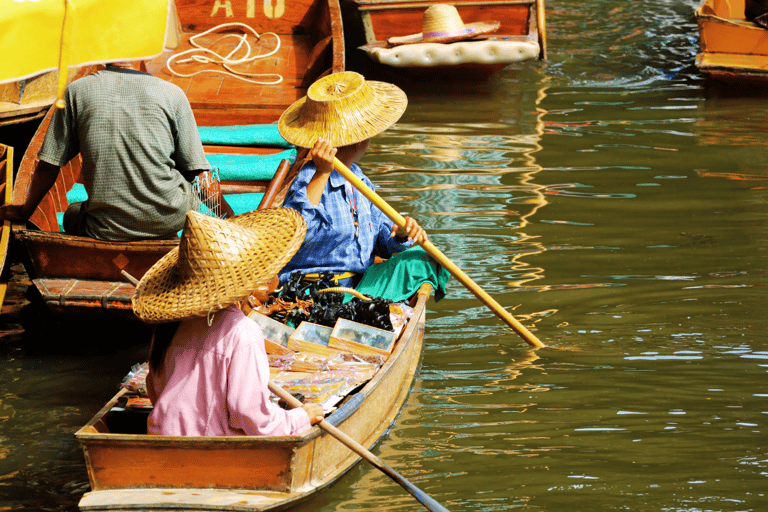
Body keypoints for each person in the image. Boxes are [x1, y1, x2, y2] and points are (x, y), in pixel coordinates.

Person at [132, 208, 324, 436]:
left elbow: (155, 391)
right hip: (216, 451)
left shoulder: (168, 325)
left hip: (162, 440)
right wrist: (301, 417)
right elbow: (251, 415)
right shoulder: (243, 332)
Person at [0, 61, 233, 241]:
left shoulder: (76, 91)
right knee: (183, 180)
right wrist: (230, 220)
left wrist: (23, 212)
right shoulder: (172, 93)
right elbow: (199, 174)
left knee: (71, 214)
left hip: (105, 226)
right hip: (171, 219)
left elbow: (48, 167)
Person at [275, 71, 427, 289]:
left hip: (358, 284)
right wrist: (322, 173)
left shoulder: (359, 178)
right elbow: (294, 234)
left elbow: (383, 243)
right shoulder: (310, 176)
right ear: (360, 141)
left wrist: (401, 233)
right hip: (314, 288)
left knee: (421, 256)